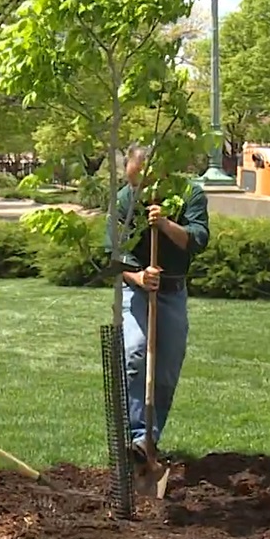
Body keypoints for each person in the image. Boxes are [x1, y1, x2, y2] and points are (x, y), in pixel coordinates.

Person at [107, 145, 211, 465]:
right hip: (138, 289)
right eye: (132, 182)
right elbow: (111, 256)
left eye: (141, 182)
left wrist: (165, 224)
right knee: (135, 353)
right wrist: (137, 277)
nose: (135, 190)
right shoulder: (124, 201)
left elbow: (198, 239)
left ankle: (148, 439)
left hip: (172, 290)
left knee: (166, 367)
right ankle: (136, 437)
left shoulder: (189, 193)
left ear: (160, 174)